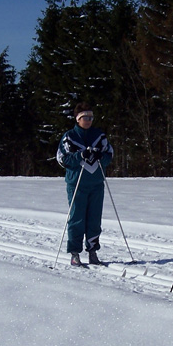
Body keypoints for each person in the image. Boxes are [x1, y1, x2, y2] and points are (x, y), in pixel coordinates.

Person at [56, 102, 114, 266]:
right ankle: (75, 253)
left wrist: (99, 157)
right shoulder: (69, 136)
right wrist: (81, 155)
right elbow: (62, 159)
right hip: (77, 184)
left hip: (96, 183)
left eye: (90, 117)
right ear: (77, 119)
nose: (88, 120)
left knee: (94, 219)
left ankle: (93, 251)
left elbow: (109, 153)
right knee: (77, 218)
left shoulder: (99, 135)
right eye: (84, 117)